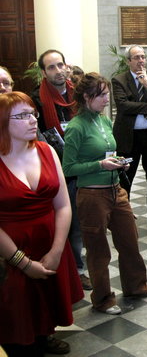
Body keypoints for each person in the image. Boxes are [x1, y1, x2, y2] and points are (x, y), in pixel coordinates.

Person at [63, 72, 147, 315]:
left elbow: (106, 152)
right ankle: (103, 298)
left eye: (106, 94)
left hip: (116, 190)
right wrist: (99, 166)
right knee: (98, 251)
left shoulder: (103, 120)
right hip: (92, 196)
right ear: (86, 97)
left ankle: (136, 285)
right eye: (102, 95)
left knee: (129, 239)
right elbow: (69, 168)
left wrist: (117, 161)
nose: (107, 99)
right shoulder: (76, 126)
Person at [0, 92, 83, 356]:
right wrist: (22, 262)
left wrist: (58, 250)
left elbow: (63, 205)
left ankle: (44, 337)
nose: (32, 120)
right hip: (10, 251)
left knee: (45, 308)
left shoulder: (46, 150)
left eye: (33, 114)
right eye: (22, 116)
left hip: (50, 244)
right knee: (16, 321)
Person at [30, 50, 92, 294]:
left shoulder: (78, 94)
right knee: (64, 224)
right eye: (51, 67)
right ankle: (69, 268)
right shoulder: (36, 99)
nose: (58, 70)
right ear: (44, 72)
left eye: (60, 65)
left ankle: (83, 266)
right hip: (55, 170)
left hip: (83, 167)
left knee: (82, 223)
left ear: (67, 67)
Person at [112, 44, 147, 229]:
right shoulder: (119, 80)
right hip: (129, 137)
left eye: (143, 57)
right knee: (126, 176)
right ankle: (123, 213)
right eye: (136, 57)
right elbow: (122, 106)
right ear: (128, 61)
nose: (141, 61)